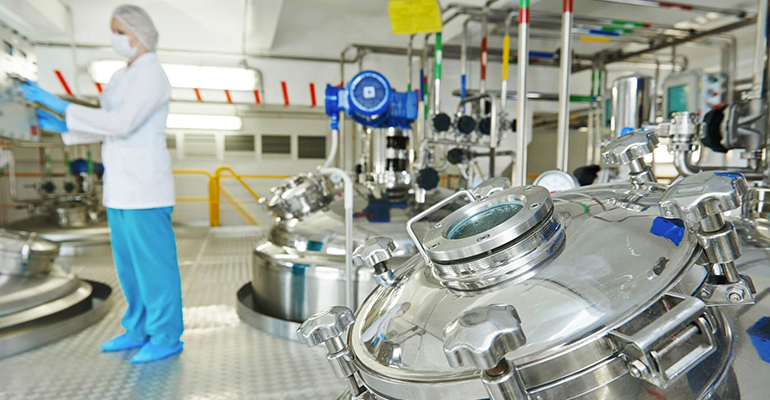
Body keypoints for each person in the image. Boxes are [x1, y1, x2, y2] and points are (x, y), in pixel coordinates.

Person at [21, 4, 183, 364]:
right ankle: (137, 329)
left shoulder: (152, 74)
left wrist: (60, 105)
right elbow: (106, 122)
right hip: (121, 188)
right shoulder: (122, 76)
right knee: (130, 268)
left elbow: (122, 123)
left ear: (138, 36)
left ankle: (166, 335)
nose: (114, 38)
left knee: (154, 267)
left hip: (145, 189)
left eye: (119, 31)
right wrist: (60, 125)